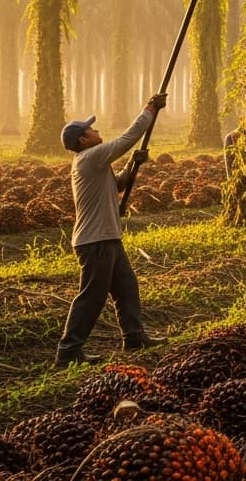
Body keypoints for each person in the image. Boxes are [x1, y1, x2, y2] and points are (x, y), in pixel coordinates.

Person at [55, 94, 169, 367]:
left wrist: (133, 165)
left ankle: (134, 336)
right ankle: (68, 351)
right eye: (91, 130)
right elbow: (127, 139)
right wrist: (149, 110)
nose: (96, 131)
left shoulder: (94, 163)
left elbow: (116, 186)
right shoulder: (90, 158)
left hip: (107, 238)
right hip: (95, 241)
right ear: (83, 140)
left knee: (126, 287)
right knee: (92, 296)